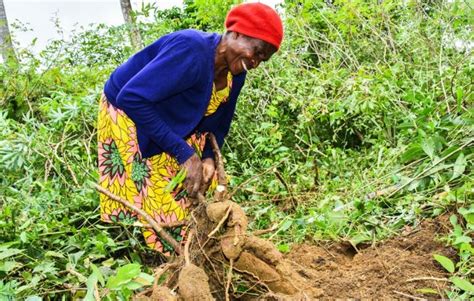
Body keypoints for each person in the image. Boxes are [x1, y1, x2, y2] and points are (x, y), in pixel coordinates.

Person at [98, 2, 283, 255]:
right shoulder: (191, 49)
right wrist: (183, 152)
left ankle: (190, 248)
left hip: (182, 118)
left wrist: (207, 157)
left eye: (263, 59)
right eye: (257, 52)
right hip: (130, 112)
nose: (256, 63)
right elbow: (133, 98)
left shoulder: (236, 74)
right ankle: (170, 257)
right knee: (159, 193)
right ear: (236, 33)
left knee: (191, 185)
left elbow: (221, 122)